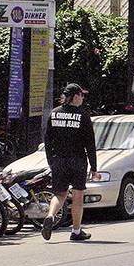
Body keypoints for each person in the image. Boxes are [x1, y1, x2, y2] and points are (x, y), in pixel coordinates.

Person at [41, 83, 99, 241]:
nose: (83, 98)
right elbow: (90, 144)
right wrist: (94, 167)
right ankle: (76, 231)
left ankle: (51, 216)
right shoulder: (82, 115)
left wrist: (51, 161)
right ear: (75, 96)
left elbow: (47, 140)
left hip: (58, 161)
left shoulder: (54, 114)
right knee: (78, 196)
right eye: (81, 95)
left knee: (59, 194)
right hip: (78, 161)